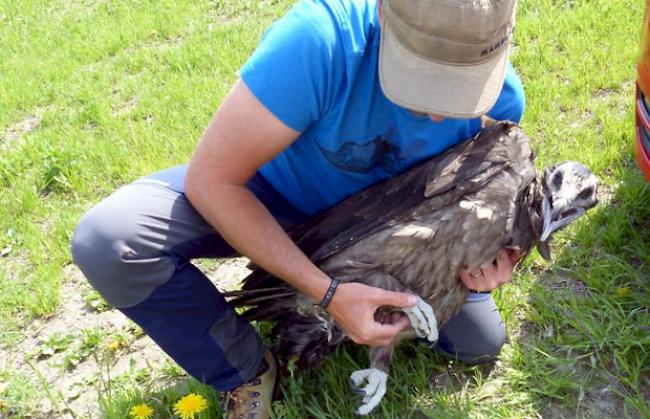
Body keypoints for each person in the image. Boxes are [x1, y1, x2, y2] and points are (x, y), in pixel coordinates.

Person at [71, 0, 524, 417]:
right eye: (423, 81)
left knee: (478, 343)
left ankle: (354, 311)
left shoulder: (502, 102)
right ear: (384, 15)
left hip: (385, 241)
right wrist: (328, 293)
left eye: (463, 88)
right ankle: (245, 368)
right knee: (111, 242)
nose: (442, 114)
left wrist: (477, 266)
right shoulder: (321, 41)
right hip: (273, 198)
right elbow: (212, 181)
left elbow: (463, 212)